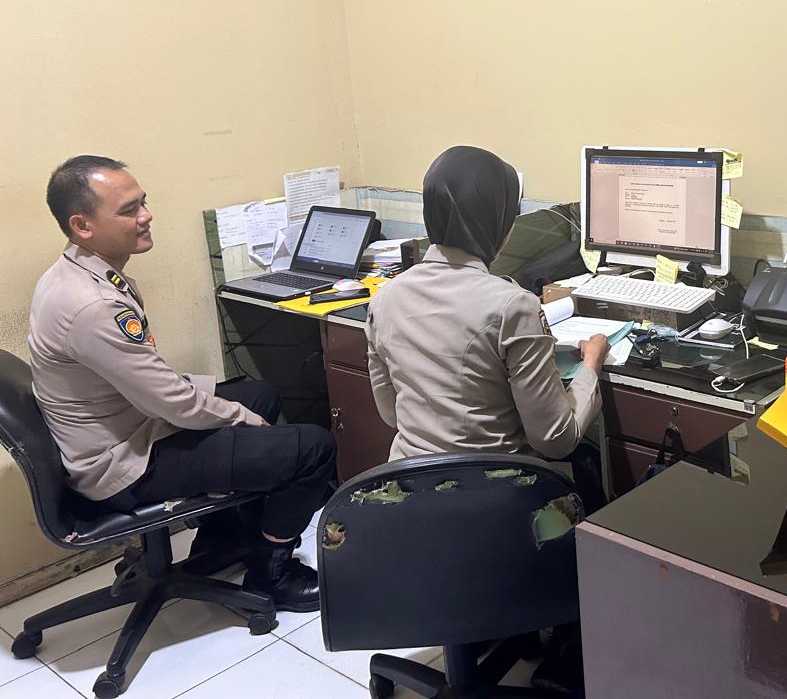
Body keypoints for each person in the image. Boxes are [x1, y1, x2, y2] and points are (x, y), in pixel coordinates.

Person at [28, 156, 336, 611]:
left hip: (124, 429)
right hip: (121, 464)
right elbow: (171, 403)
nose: (147, 215)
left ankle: (224, 538)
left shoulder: (78, 272)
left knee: (262, 393)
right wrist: (241, 418)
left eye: (143, 202)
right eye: (129, 210)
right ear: (82, 225)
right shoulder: (90, 304)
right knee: (313, 449)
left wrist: (233, 405)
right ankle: (272, 573)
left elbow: (148, 380)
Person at [365, 146, 606, 488]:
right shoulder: (512, 306)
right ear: (500, 225)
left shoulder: (385, 298)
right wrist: (591, 366)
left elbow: (390, 412)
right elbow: (555, 439)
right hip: (491, 492)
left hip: (408, 489)